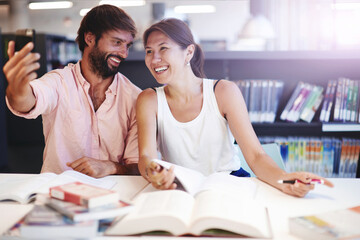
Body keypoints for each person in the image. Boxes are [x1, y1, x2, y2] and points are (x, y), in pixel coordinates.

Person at [136, 18, 333, 197]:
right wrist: (154, 172)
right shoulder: (149, 99)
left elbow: (256, 156)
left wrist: (285, 180)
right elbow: (146, 156)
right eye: (149, 51)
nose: (154, 60)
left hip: (229, 185)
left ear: (188, 52)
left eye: (163, 49)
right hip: (179, 188)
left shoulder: (223, 92)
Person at [3, 5, 141, 178]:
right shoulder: (59, 81)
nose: (124, 53)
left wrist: (112, 167)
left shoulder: (135, 97)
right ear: (90, 38)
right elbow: (26, 101)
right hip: (57, 193)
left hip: (113, 195)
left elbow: (138, 167)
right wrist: (17, 86)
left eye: (127, 45)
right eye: (117, 42)